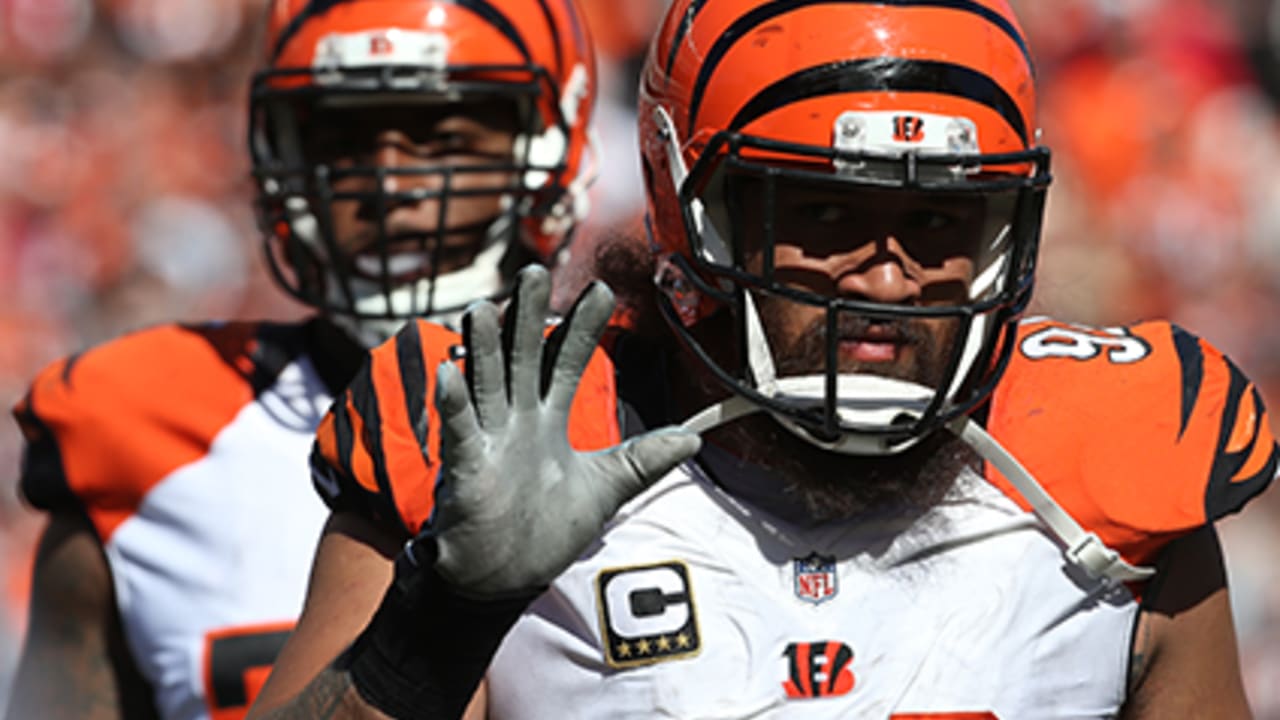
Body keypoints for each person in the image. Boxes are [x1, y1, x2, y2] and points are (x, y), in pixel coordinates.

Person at [254, 0, 1278, 718]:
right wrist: (440, 619)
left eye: (938, 219)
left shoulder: (1117, 461)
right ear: (690, 208)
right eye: (824, 214)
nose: (885, 277)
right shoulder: (499, 428)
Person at [3, 0, 598, 718]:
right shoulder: (140, 428)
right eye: (346, 139)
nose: (388, 182)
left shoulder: (649, 413)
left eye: (442, 135)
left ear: (547, 148)